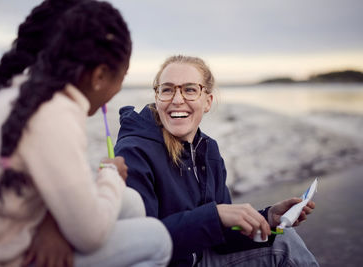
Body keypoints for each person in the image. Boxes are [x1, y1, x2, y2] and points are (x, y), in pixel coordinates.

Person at [0, 1, 172, 266]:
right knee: (157, 239)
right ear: (99, 76)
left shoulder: (26, 94)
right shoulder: (54, 113)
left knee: (129, 201)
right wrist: (111, 175)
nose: (118, 89)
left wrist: (53, 223)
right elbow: (90, 235)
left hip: (5, 232)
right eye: (122, 76)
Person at [115, 55, 319, 266]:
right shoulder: (134, 151)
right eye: (167, 89)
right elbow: (138, 245)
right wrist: (214, 216)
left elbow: (220, 237)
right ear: (157, 97)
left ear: (208, 101)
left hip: (202, 259)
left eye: (190, 89)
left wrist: (267, 218)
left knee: (283, 239)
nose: (177, 99)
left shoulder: (208, 149)